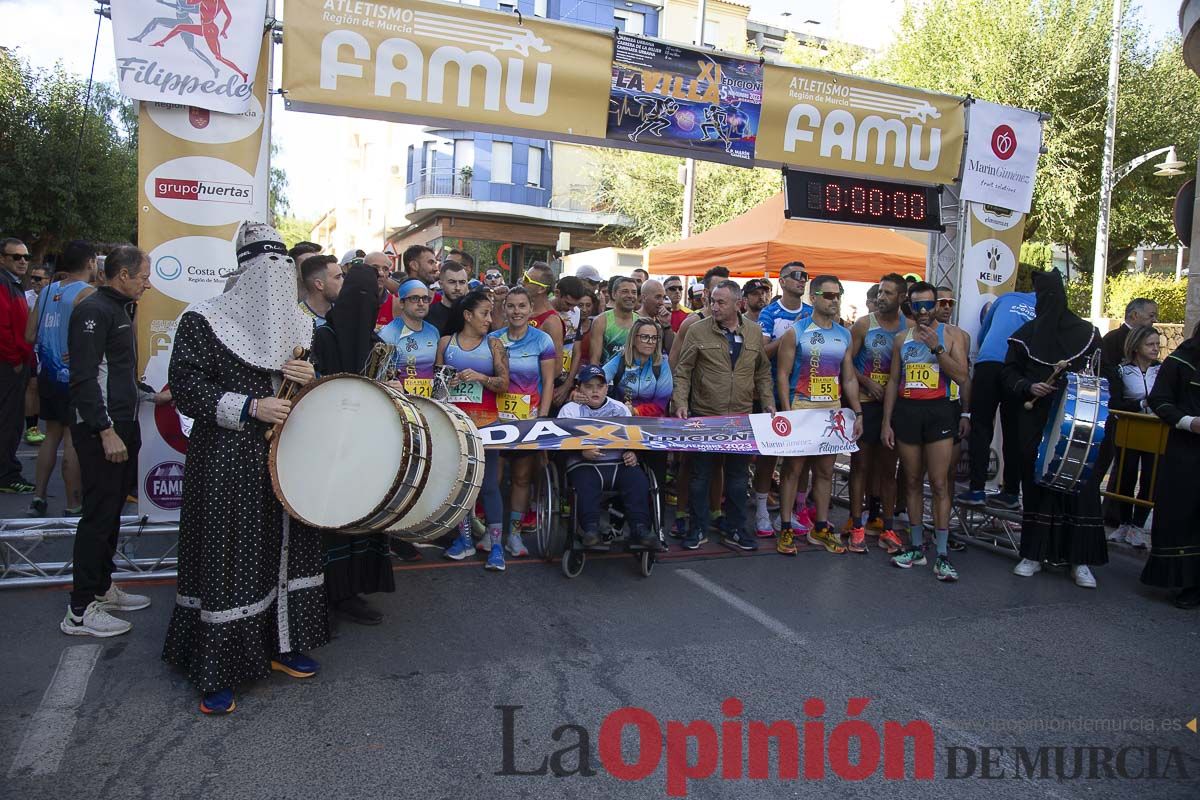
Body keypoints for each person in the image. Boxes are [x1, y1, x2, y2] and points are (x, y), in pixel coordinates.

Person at [163, 222, 327, 716]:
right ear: (244, 270)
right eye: (266, 268)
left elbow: (306, 400)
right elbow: (185, 390)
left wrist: (306, 379)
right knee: (231, 555)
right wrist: (251, 407)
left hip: (285, 456)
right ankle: (217, 668)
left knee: (286, 547)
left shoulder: (302, 326)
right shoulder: (204, 319)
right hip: (225, 460)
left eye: (285, 269)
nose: (276, 280)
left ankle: (280, 643)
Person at [60, 245, 169, 637]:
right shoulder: (93, 310)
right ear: (122, 275)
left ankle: (102, 589)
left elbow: (118, 375)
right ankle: (80, 609)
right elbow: (85, 379)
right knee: (97, 517)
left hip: (123, 424)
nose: (148, 283)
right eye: (143, 277)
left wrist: (150, 395)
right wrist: (105, 431)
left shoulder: (120, 309)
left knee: (110, 516)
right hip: (102, 432)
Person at [1001, 269, 1105, 589]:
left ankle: (1080, 560)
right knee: (1038, 484)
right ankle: (1032, 554)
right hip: (1036, 419)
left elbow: (1102, 374)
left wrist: (1078, 384)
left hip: (1077, 421)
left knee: (1079, 487)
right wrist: (1029, 386)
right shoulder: (1023, 336)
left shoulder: (1088, 334)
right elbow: (1008, 374)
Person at [309, 264, 395, 625]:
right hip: (328, 442)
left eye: (368, 298)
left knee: (363, 516)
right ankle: (327, 590)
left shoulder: (377, 344)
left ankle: (352, 588)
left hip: (366, 443)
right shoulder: (322, 336)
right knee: (332, 520)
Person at [672, 280, 775, 552]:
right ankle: (697, 528)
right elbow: (683, 370)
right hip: (705, 415)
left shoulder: (753, 332)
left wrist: (768, 402)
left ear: (737, 304)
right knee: (700, 477)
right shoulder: (697, 331)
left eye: (721, 302)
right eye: (712, 301)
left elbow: (762, 371)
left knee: (739, 479)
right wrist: (680, 402)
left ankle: (736, 528)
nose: (714, 307)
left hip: (741, 417)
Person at [882, 281, 970, 582]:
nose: (922, 311)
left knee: (940, 483)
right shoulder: (900, 339)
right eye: (916, 306)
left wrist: (936, 348)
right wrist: (886, 421)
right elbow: (894, 381)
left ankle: (942, 554)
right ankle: (917, 547)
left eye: (927, 305)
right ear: (910, 306)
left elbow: (961, 375)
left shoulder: (954, 335)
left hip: (940, 411)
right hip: (908, 412)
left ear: (936, 305)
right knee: (912, 481)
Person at [774, 276, 863, 556]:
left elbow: (848, 377)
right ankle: (786, 527)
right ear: (814, 297)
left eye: (838, 295)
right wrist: (787, 412)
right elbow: (782, 373)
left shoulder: (844, 334)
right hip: (801, 408)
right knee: (793, 471)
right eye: (828, 295)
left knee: (825, 472)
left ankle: (821, 527)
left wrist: (857, 411)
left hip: (830, 411)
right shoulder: (796, 332)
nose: (834, 300)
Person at [437, 290, 510, 568]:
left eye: (491, 313)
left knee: (489, 485)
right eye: (484, 313)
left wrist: (481, 377)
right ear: (467, 316)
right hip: (455, 424)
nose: (490, 319)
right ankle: (465, 541)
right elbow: (437, 385)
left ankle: (496, 546)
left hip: (487, 424)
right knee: (460, 485)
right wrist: (449, 382)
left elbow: (504, 384)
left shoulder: (494, 345)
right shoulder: (447, 343)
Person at [26, 240, 96, 517]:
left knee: (51, 435)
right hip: (73, 376)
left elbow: (29, 335)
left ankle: (38, 497)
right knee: (72, 439)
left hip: (47, 374)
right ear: (91, 262)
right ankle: (73, 504)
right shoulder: (88, 293)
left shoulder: (46, 292)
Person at [559, 364, 658, 550]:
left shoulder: (620, 408)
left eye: (599, 386)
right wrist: (581, 450)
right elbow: (559, 442)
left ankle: (641, 529)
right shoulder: (569, 410)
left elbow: (634, 437)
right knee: (585, 484)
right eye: (588, 386)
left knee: (638, 480)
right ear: (579, 388)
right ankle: (590, 529)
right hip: (584, 463)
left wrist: (633, 452)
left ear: (607, 388)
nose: (594, 391)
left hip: (618, 462)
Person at [491, 287, 558, 560]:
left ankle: (515, 535)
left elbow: (550, 382)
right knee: (493, 479)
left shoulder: (542, 341)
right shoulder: (493, 339)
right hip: (496, 419)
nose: (516, 311)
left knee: (521, 478)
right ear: (504, 309)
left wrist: (542, 417)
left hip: (528, 420)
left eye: (522, 306)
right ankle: (492, 533)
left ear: (531, 309)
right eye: (511, 306)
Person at [955, 289, 1036, 509]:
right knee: (1013, 431)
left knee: (981, 425)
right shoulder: (1047, 310)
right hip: (1019, 370)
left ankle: (977, 490)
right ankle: (1010, 493)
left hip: (990, 361)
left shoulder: (1007, 298)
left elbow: (983, 333)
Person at [846, 273, 908, 554]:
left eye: (888, 293)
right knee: (860, 465)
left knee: (888, 470)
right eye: (880, 292)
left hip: (894, 407)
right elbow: (845, 365)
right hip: (865, 404)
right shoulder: (863, 325)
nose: (882, 297)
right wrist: (866, 381)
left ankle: (888, 527)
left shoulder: (910, 328)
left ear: (902, 298)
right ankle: (857, 525)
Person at [1141, 321, 1200, 608]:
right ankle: (1184, 582)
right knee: (1182, 515)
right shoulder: (1180, 361)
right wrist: (1190, 422)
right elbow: (1160, 400)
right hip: (1186, 453)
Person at [750, 262, 812, 538]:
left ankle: (797, 509)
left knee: (802, 456)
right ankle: (762, 509)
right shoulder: (770, 313)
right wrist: (791, 334)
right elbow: (762, 353)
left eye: (805, 276)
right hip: (773, 392)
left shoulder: (812, 312)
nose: (802, 281)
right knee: (769, 454)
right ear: (783, 282)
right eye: (796, 276)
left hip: (807, 393)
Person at [1106, 325, 1160, 548]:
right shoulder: (1121, 370)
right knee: (1126, 473)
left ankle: (1139, 525)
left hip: (1156, 430)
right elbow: (1115, 401)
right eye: (1150, 344)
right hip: (1128, 428)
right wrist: (1140, 404)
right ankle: (1124, 523)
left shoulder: (1162, 370)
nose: (1156, 348)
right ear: (1137, 346)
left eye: (1157, 344)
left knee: (1150, 476)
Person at [935, 285, 972, 552]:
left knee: (947, 476)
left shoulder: (961, 336)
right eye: (942, 302)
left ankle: (943, 532)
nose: (947, 307)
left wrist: (966, 413)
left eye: (951, 302)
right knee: (914, 476)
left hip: (951, 408)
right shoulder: (913, 334)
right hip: (920, 411)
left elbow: (965, 377)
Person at [0, 237, 35, 493]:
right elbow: (2, 327)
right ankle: (7, 474)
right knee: (9, 421)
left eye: (26, 256)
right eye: (16, 257)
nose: (23, 261)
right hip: (9, 364)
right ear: (3, 259)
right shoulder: (4, 283)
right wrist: (14, 360)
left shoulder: (13, 283)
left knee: (12, 420)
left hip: (16, 362)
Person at [378, 279, 439, 398]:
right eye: (415, 298)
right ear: (401, 303)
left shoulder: (433, 331)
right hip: (400, 402)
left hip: (428, 403)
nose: (421, 303)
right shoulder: (388, 333)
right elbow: (378, 375)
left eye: (425, 299)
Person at [604, 317, 673, 418]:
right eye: (645, 337)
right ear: (633, 339)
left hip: (653, 422)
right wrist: (580, 391)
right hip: (622, 418)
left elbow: (661, 403)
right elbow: (598, 379)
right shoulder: (620, 359)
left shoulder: (662, 364)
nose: (650, 342)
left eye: (654, 338)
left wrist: (636, 411)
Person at [551, 275, 587, 407]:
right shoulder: (545, 312)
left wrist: (567, 385)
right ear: (557, 293)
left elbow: (577, 352)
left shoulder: (576, 312)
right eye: (568, 303)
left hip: (564, 380)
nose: (571, 309)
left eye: (575, 305)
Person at [589, 275, 638, 365]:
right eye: (625, 292)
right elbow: (594, 360)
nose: (630, 296)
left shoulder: (640, 322)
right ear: (614, 294)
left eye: (634, 292)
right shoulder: (601, 321)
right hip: (606, 375)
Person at [298, 255, 343, 326]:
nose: (343, 281)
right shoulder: (297, 319)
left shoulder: (344, 312)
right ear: (319, 284)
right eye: (338, 277)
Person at [427, 259, 470, 335]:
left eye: (462, 282)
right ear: (440, 284)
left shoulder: (473, 314)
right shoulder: (428, 314)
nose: (458, 288)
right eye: (452, 282)